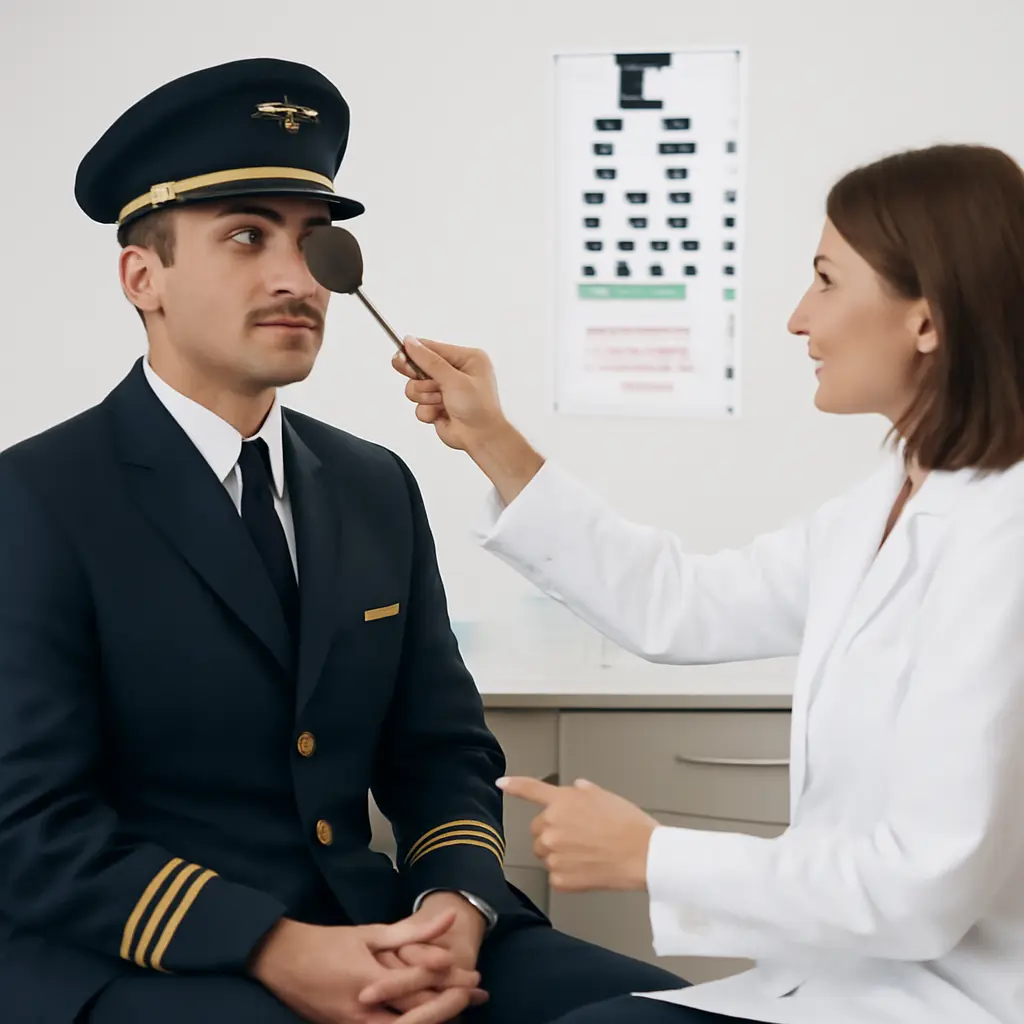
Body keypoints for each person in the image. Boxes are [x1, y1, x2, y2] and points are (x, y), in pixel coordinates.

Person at [0, 58, 684, 1024]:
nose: (297, 278)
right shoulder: (34, 497)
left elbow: (440, 751)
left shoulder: (373, 486)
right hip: (151, 954)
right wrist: (274, 948)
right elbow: (30, 828)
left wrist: (456, 904)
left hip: (377, 920)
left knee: (681, 1015)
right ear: (141, 277)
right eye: (247, 237)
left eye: (316, 242)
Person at [393, 142, 1024, 1024]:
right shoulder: (887, 501)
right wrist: (492, 438)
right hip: (835, 984)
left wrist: (652, 855)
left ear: (927, 318)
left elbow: (920, 885)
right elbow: (679, 604)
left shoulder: (1002, 547)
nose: (799, 320)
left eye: (827, 281)